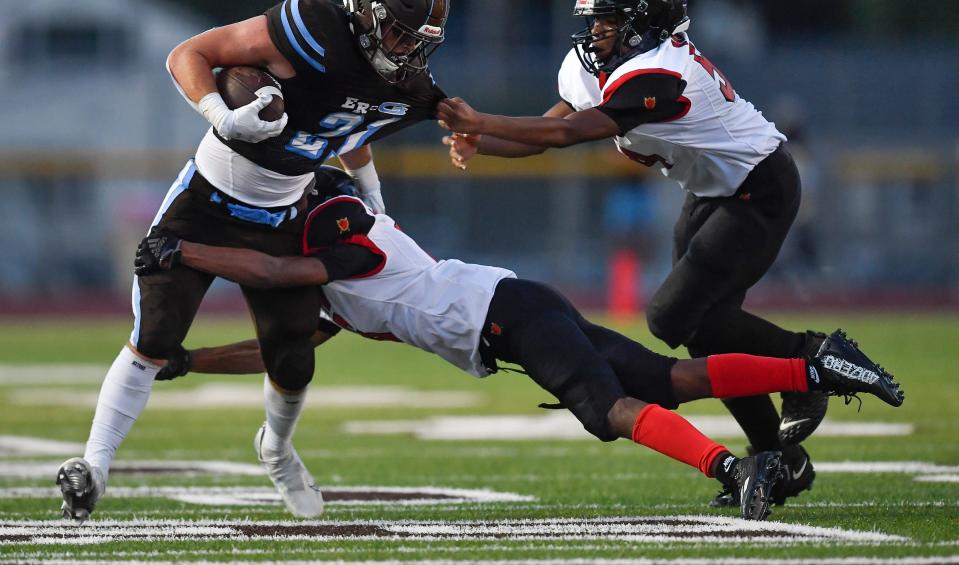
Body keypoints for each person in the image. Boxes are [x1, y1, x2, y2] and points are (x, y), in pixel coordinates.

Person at [134, 167, 903, 522]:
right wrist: (193, 360)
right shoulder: (339, 282)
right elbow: (284, 346)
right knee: (668, 377)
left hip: (506, 315)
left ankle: (733, 468)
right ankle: (813, 360)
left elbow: (275, 265)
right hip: (515, 306)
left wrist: (186, 252)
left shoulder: (341, 235)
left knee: (608, 409)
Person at [436, 0, 858, 506]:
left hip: (760, 187)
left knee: (668, 315)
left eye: (609, 22)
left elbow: (572, 135)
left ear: (644, 24)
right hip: (712, 192)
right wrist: (482, 142)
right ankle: (780, 458)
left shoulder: (663, 70)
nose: (596, 33)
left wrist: (481, 119)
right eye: (594, 21)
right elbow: (546, 130)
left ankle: (811, 361)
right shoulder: (600, 66)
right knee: (700, 328)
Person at [56, 0, 451, 523]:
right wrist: (221, 114)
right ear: (364, 12)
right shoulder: (314, 25)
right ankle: (92, 466)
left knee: (293, 357)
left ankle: (277, 449)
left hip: (283, 216)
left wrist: (368, 183)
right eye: (399, 33)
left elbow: (346, 119)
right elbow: (188, 53)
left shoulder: (397, 80)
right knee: (156, 333)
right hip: (208, 202)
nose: (409, 50)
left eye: (419, 39)